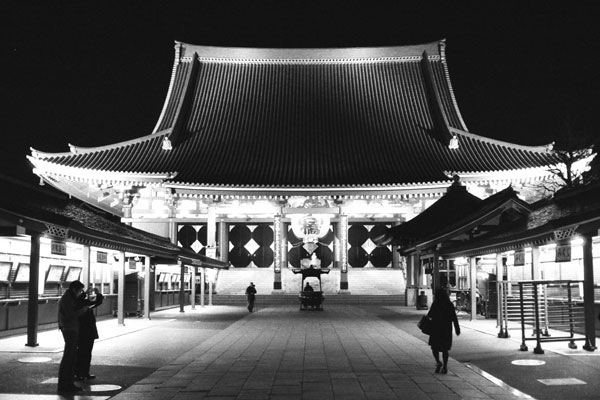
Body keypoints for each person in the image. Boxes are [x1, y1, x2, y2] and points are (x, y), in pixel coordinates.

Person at [57, 280, 89, 393]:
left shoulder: (69, 298)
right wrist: (83, 310)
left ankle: (69, 383)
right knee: (69, 358)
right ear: (74, 289)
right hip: (69, 328)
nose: (80, 293)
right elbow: (70, 314)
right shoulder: (67, 299)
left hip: (71, 328)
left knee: (72, 357)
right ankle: (65, 385)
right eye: (80, 291)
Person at [427, 288, 460, 374]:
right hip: (446, 329)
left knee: (435, 347)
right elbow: (454, 317)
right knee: (445, 349)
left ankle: (438, 362)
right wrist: (457, 328)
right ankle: (445, 366)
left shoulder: (435, 304)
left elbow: (429, 315)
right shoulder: (449, 304)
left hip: (436, 328)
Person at [75, 287, 104, 382]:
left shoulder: (84, 303)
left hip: (87, 332)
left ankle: (82, 373)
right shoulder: (80, 304)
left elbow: (97, 302)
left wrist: (96, 293)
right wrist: (95, 292)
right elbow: (97, 302)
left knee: (84, 353)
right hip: (84, 332)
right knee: (84, 353)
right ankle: (80, 373)